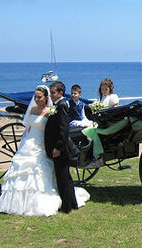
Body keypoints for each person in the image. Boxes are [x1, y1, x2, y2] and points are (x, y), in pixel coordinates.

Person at [0, 85, 89, 216]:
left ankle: (67, 203)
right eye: (35, 97)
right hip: (29, 142)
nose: (37, 99)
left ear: (46, 97)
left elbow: (59, 128)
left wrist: (57, 146)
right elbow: (28, 127)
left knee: (54, 173)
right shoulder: (32, 109)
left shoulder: (51, 110)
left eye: (39, 97)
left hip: (42, 144)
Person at [45, 81, 89, 213]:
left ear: (60, 93)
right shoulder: (59, 104)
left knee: (63, 177)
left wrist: (58, 147)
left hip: (62, 148)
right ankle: (72, 203)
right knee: (66, 177)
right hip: (61, 147)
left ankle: (67, 206)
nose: (51, 95)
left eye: (53, 93)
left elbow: (63, 129)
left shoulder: (62, 105)